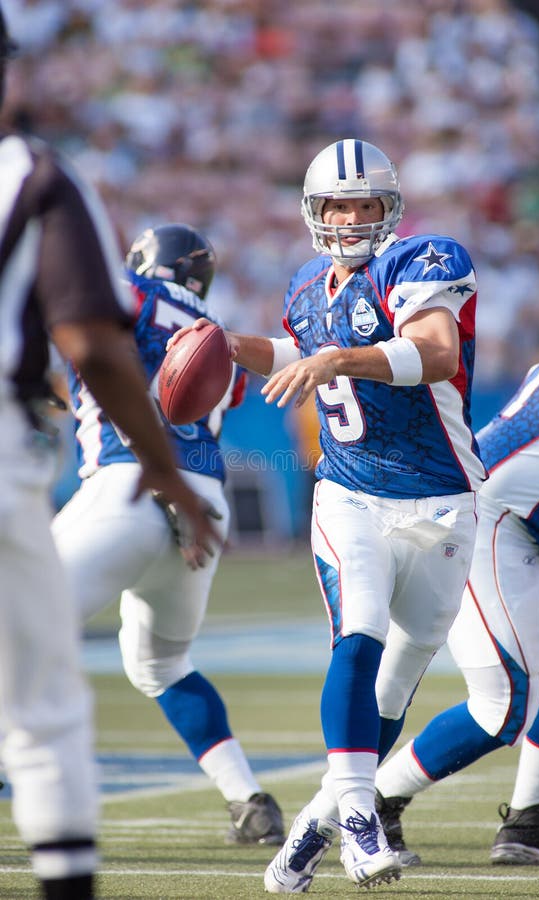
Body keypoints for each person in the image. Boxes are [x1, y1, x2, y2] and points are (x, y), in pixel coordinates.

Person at [171, 137, 487, 891]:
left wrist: (336, 359)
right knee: (360, 635)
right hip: (350, 493)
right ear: (314, 211)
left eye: (363, 203)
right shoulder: (309, 283)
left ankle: (313, 826)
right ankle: (358, 824)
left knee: (396, 685)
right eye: (336, 204)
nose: (349, 217)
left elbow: (436, 353)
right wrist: (224, 345)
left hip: (444, 496)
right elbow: (296, 352)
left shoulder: (422, 260)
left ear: (390, 208)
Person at [0, 10, 219, 900]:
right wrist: (161, 469)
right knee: (45, 704)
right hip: (33, 452)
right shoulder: (38, 176)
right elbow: (92, 342)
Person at [51, 223, 285, 847]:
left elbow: (84, 333)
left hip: (128, 486)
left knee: (21, 618)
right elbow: (174, 387)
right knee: (161, 663)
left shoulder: (128, 291)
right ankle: (249, 800)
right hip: (203, 501)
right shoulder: (217, 333)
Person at [372, 325, 539, 866]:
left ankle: (531, 820)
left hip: (530, 518)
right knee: (503, 705)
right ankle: (369, 800)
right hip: (495, 517)